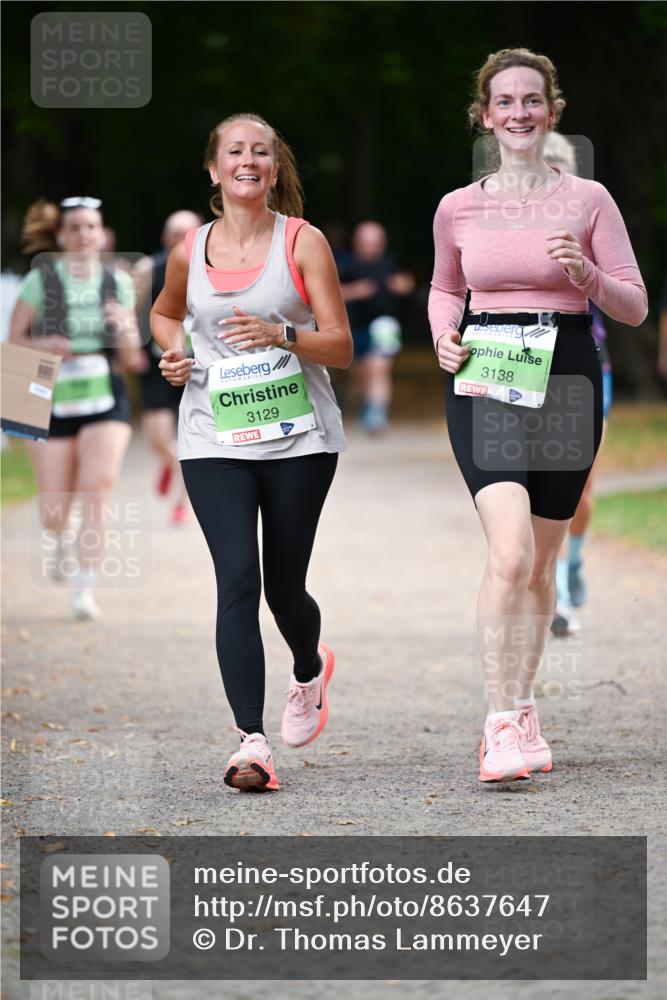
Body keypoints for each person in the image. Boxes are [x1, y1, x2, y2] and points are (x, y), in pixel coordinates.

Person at [428, 48, 648, 782]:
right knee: (511, 554)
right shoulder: (457, 206)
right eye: (504, 101)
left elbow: (634, 304)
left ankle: (523, 705)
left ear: (551, 112)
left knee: (543, 562)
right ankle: (497, 723)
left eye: (531, 100)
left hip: (566, 373)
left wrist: (586, 274)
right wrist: (443, 334)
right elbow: (444, 287)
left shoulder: (589, 200)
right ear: (484, 115)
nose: (518, 112)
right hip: (486, 373)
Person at [152, 113, 352, 791]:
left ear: (274, 168)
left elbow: (341, 346)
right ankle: (251, 743)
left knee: (283, 587)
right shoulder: (190, 248)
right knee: (237, 578)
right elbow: (164, 313)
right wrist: (172, 352)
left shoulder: (302, 241)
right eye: (234, 151)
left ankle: (308, 669)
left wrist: (281, 334)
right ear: (214, 169)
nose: (247, 160)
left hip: (299, 439)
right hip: (213, 434)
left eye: (260, 152)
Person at [9, 196, 141, 620]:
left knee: (97, 487)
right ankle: (59, 536)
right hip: (49, 393)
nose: (85, 234)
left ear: (102, 235)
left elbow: (133, 359)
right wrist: (43, 344)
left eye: (92, 227)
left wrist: (125, 327)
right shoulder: (41, 280)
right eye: (76, 227)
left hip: (104, 394)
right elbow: (13, 342)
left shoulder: (117, 282)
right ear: (62, 236)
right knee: (54, 508)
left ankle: (84, 590)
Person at [541, 133, 615, 636]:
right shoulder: (497, 222)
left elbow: (623, 290)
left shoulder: (594, 219)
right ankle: (557, 597)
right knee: (537, 484)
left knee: (581, 486)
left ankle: (574, 561)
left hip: (586, 361)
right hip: (525, 365)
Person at [133, 210, 203, 524]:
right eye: (174, 233)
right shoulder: (148, 268)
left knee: (193, 438)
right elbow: (131, 313)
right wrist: (131, 351)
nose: (179, 239)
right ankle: (169, 462)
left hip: (199, 366)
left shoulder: (214, 267)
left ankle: (180, 502)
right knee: (158, 438)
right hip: (157, 363)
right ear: (164, 237)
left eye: (186, 233)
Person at [339, 221, 414, 432]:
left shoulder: (390, 262)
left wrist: (402, 285)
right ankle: (368, 403)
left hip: (385, 323)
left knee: (379, 366)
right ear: (357, 243)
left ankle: (377, 412)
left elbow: (408, 282)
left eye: (375, 242)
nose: (371, 247)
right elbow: (332, 294)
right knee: (359, 372)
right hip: (355, 326)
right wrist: (355, 291)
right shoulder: (346, 265)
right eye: (366, 242)